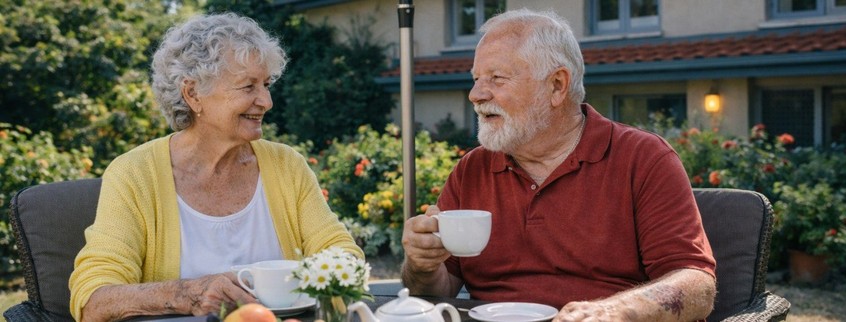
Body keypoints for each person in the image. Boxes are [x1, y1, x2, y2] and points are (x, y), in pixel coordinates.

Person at [401, 8, 717, 322]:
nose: (475, 94)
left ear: (556, 86)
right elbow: (439, 290)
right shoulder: (472, 169)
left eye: (496, 78)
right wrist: (422, 264)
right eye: (476, 79)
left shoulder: (643, 158)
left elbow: (695, 283)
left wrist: (616, 311)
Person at [69, 13, 362, 321]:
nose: (267, 100)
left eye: (266, 84)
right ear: (193, 93)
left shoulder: (286, 165)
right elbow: (94, 299)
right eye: (248, 86)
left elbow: (343, 255)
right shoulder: (134, 174)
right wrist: (188, 295)